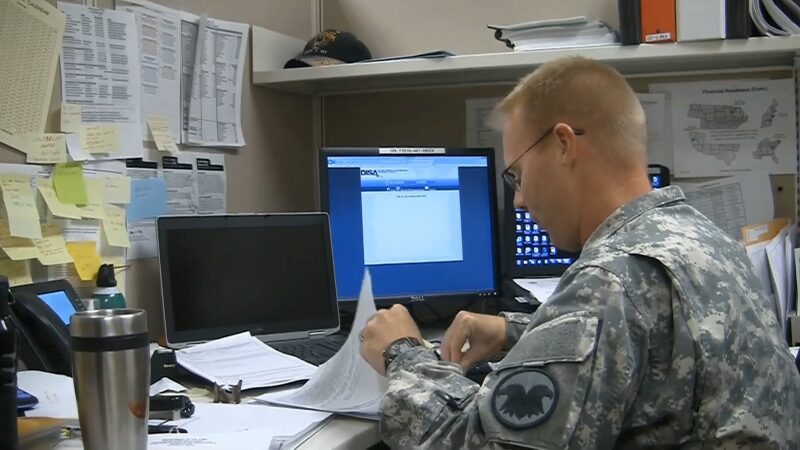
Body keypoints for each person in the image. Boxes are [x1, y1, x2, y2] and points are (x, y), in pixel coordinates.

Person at [358, 56, 800, 449]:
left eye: (517, 175)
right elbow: (654, 348)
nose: (519, 201)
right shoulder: (704, 239)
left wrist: (404, 353)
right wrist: (515, 334)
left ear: (565, 144)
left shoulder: (612, 277)